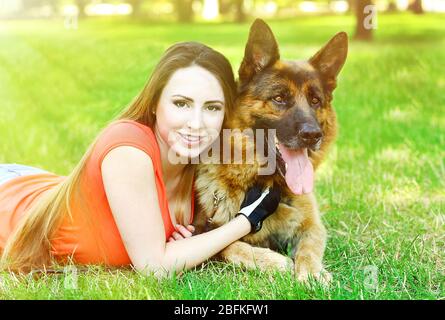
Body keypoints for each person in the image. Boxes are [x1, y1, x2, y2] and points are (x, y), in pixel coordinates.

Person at [0, 42, 280, 278]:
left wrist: (192, 243)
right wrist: (246, 220)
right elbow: (154, 266)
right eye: (181, 103)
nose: (196, 123)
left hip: (41, 184)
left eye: (212, 108)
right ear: (155, 104)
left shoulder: (207, 159)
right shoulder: (127, 149)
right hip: (8, 199)